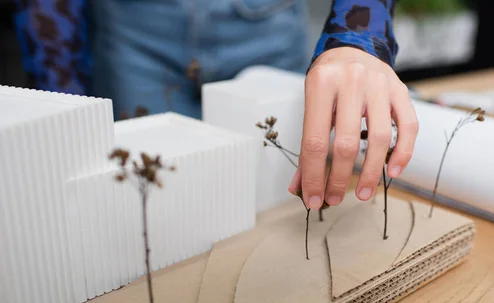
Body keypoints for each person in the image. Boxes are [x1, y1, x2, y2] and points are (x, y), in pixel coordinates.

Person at [13, 0, 417, 207]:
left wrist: (359, 34)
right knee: (147, 207)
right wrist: (59, 90)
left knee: (280, 198)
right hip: (131, 34)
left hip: (268, 26)